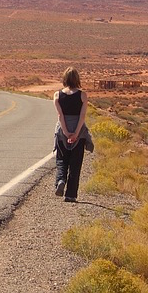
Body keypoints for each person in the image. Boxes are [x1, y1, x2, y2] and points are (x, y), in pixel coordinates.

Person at [53, 67, 94, 202]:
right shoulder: (82, 95)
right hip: (79, 132)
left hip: (62, 132)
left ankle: (60, 180)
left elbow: (60, 115)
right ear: (77, 79)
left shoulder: (57, 95)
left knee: (61, 159)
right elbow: (82, 116)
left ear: (65, 79)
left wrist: (65, 132)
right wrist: (75, 133)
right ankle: (70, 195)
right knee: (75, 163)